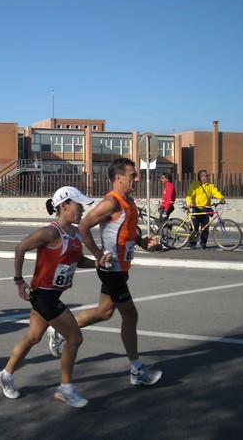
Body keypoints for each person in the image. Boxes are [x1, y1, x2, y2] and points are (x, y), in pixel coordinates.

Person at [47, 158, 162, 387]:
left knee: (104, 312)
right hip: (112, 269)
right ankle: (137, 369)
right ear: (119, 178)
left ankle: (60, 330)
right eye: (133, 175)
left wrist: (140, 241)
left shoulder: (128, 201)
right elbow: (83, 226)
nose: (137, 179)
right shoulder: (111, 202)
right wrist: (98, 254)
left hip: (121, 268)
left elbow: (125, 231)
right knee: (130, 315)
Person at [0, 186, 102, 408]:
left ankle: (5, 374)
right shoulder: (51, 232)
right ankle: (66, 389)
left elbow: (77, 261)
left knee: (33, 337)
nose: (82, 210)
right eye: (78, 205)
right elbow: (21, 247)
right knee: (75, 338)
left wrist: (97, 263)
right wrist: (18, 280)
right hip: (44, 296)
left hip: (51, 294)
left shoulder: (74, 233)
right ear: (64, 205)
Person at [185, 170, 225, 249]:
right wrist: (189, 203)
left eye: (207, 175)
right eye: (206, 176)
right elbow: (189, 195)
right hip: (196, 208)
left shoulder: (210, 185)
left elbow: (215, 192)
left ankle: (203, 244)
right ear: (201, 177)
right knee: (194, 227)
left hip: (206, 209)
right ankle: (192, 243)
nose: (207, 177)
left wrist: (221, 197)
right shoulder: (195, 185)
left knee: (205, 228)